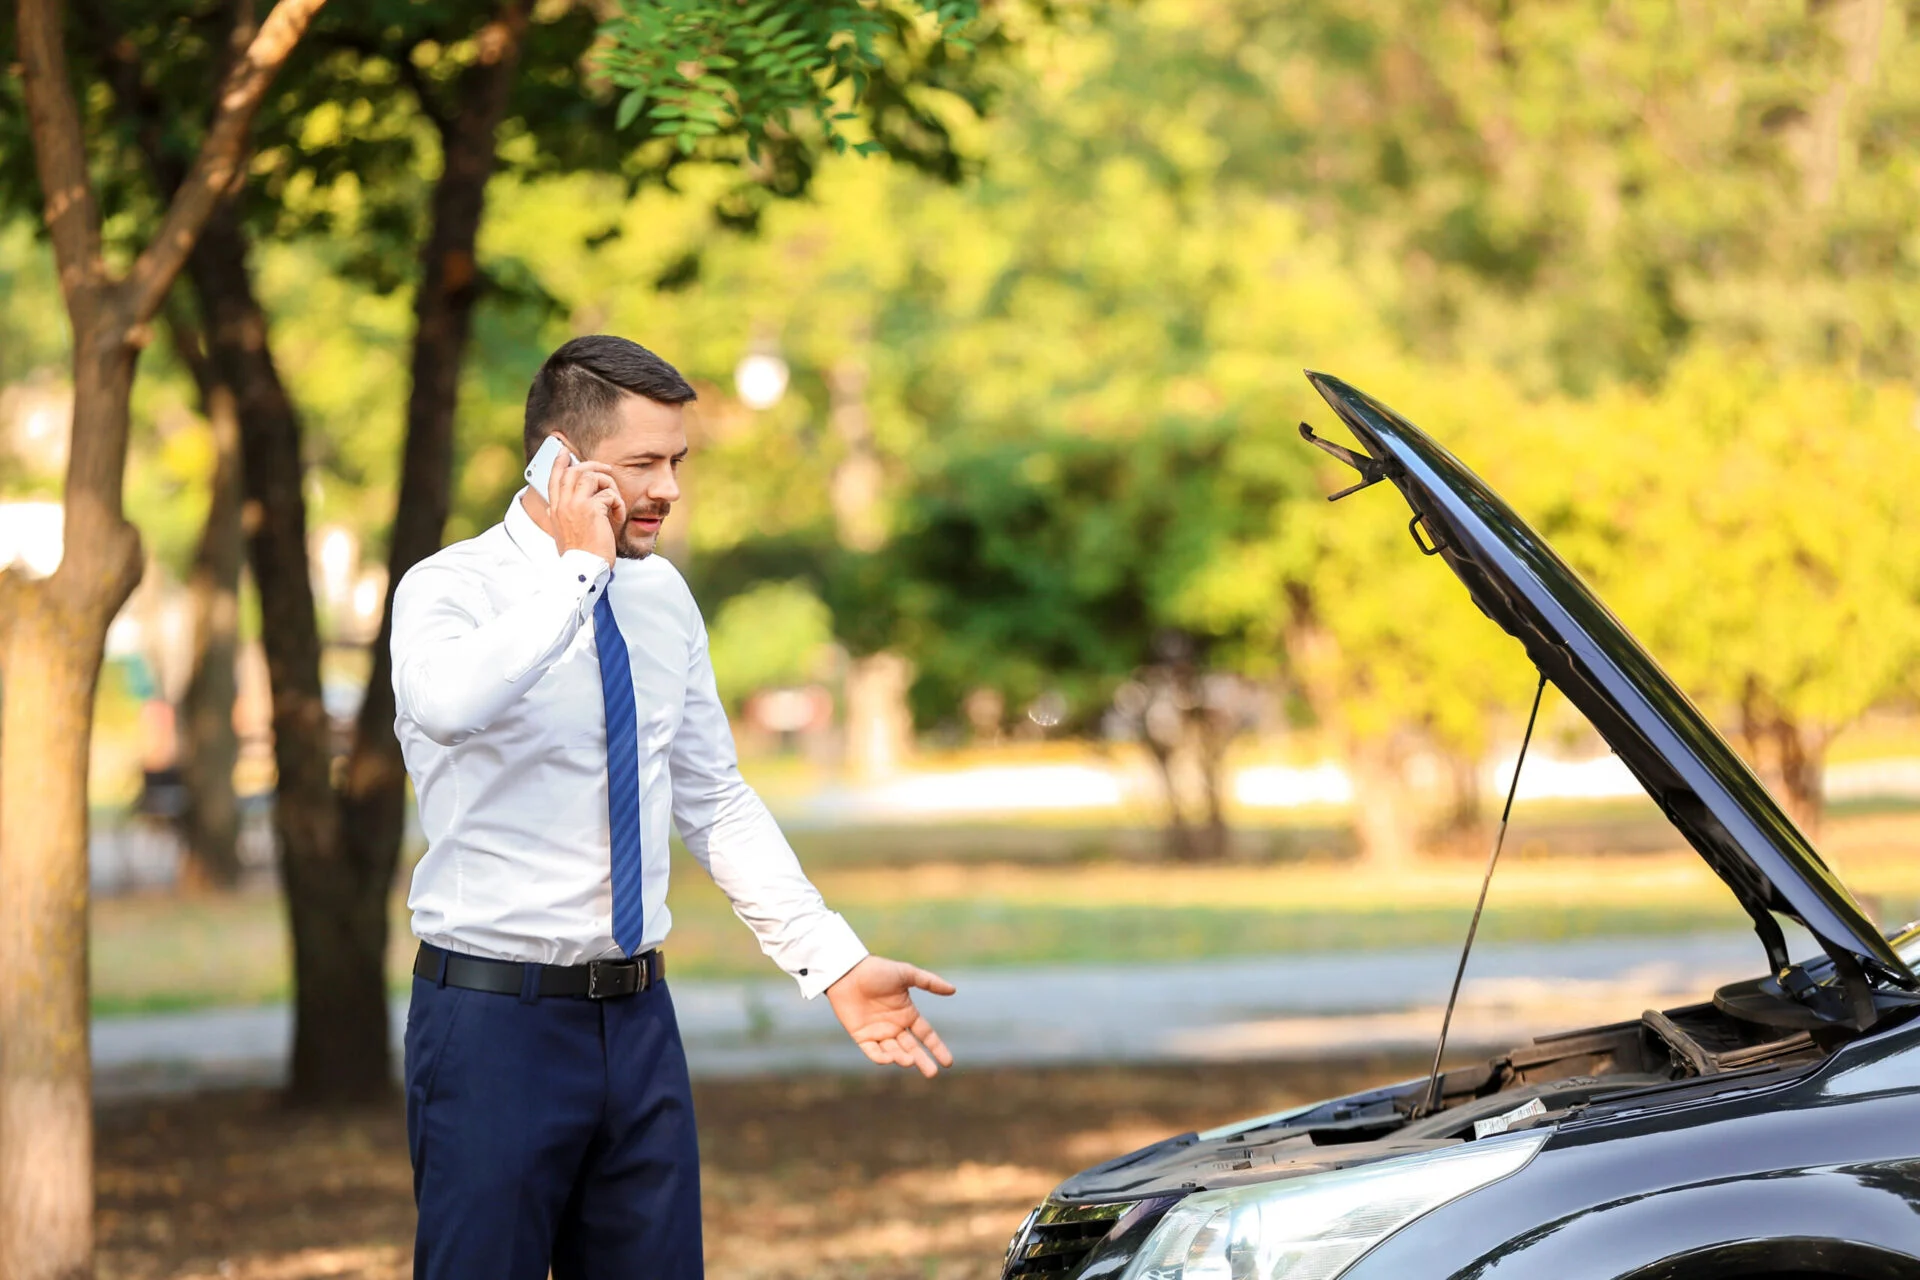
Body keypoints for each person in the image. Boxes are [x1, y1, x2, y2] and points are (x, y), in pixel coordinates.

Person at [392, 334, 954, 1279]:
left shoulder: (664, 601)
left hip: (638, 1027)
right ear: (560, 465)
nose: (670, 489)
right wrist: (579, 572)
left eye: (677, 462)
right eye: (643, 464)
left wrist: (831, 959)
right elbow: (447, 705)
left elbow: (714, 800)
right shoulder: (451, 588)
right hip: (492, 1024)